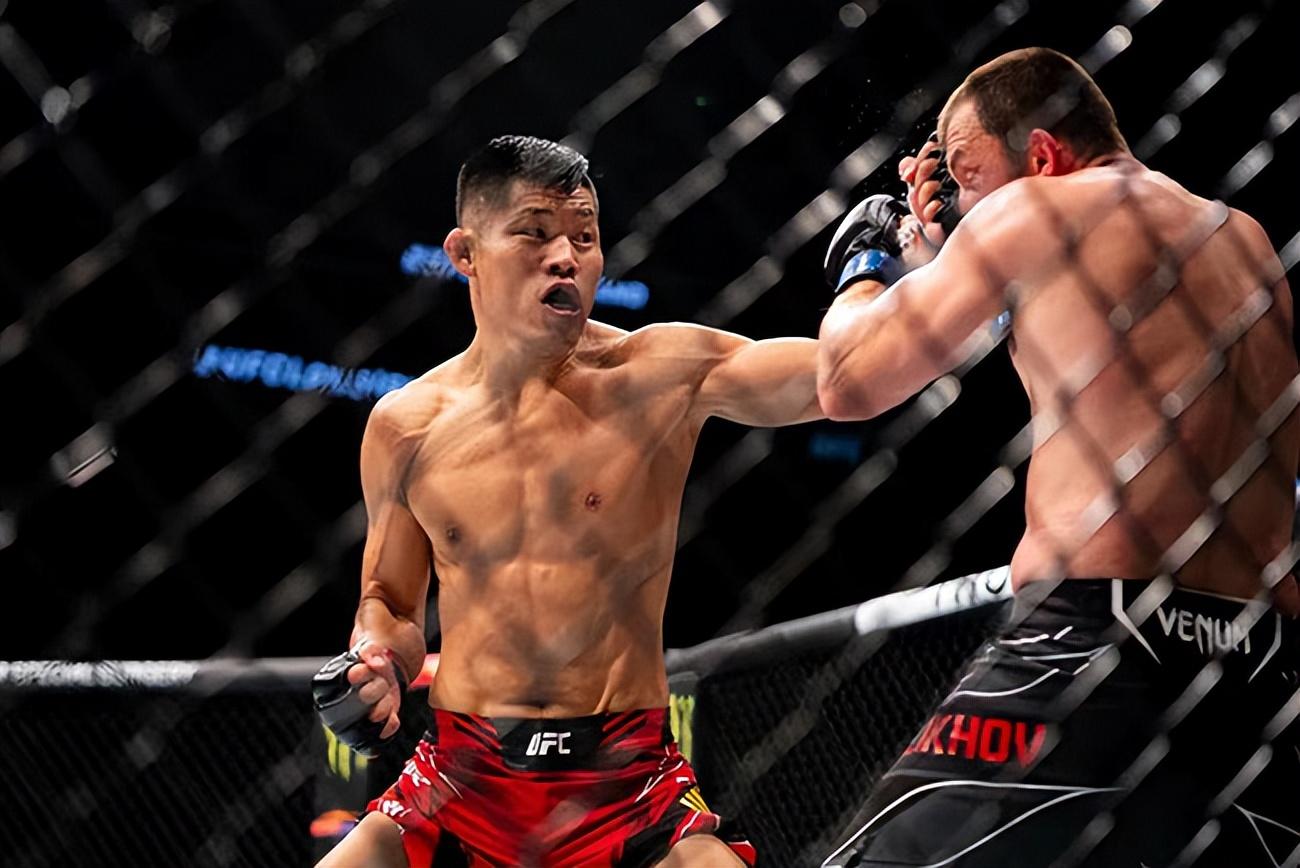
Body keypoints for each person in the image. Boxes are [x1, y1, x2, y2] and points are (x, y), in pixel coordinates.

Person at [817, 48, 1300, 866]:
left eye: (967, 176)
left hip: (1092, 643)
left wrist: (871, 264)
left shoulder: (1033, 209)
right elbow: (1107, 364)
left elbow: (847, 381)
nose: (963, 205)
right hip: (1256, 671)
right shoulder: (1240, 236)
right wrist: (953, 263)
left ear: (1041, 154)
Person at [312, 134, 823, 867]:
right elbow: (388, 602)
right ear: (465, 253)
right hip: (461, 780)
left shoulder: (659, 376)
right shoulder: (406, 425)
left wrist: (899, 271)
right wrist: (375, 662)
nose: (566, 257)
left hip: (627, 780)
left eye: (584, 237)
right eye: (535, 232)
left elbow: (841, 376)